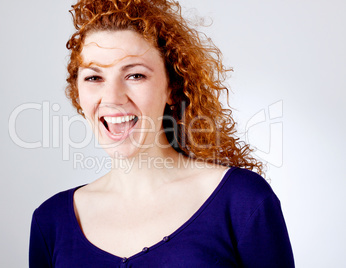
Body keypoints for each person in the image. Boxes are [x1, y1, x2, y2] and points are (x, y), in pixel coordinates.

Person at [29, 0, 295, 267]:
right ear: (77, 92)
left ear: (172, 87)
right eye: (94, 78)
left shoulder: (243, 201)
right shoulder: (50, 221)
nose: (112, 98)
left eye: (135, 75)